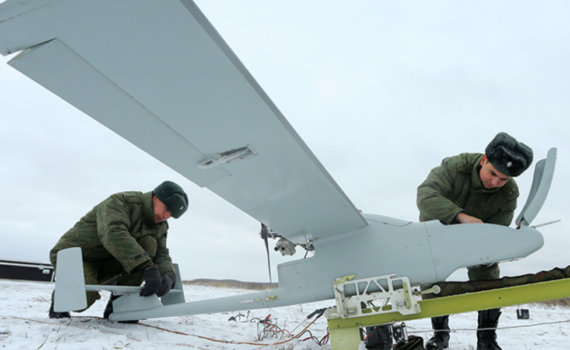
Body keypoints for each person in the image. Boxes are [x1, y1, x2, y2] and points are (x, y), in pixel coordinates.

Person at [417, 132, 533, 350]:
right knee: (432, 283)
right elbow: (425, 195)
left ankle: (487, 339)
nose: (495, 182)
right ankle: (440, 336)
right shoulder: (455, 166)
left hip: (478, 240)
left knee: (488, 277)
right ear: (483, 160)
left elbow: (497, 230)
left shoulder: (508, 192)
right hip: (438, 233)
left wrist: (492, 248)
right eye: (492, 174)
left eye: (503, 179)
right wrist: (461, 217)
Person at [48, 180, 188, 321]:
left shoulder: (160, 225)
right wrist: (146, 266)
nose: (166, 216)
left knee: (149, 243)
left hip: (111, 259)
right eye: (166, 209)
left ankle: (119, 305)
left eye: (171, 214)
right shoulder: (121, 202)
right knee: (80, 301)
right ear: (156, 197)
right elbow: (113, 233)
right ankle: (59, 302)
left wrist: (168, 274)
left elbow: (161, 253)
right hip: (78, 256)